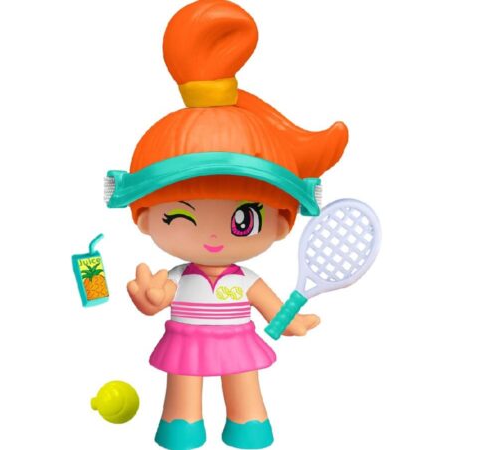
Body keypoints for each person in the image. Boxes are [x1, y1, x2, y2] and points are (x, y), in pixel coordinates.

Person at [105, 0, 348, 448]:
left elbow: (270, 307)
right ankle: (181, 427)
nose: (213, 237)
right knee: (183, 386)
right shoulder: (179, 276)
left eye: (244, 218)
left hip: (237, 339)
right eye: (181, 215)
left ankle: (248, 426)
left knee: (244, 383)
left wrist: (289, 321)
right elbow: (161, 298)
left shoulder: (245, 279)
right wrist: (151, 300)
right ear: (143, 218)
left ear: (282, 224)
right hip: (187, 339)